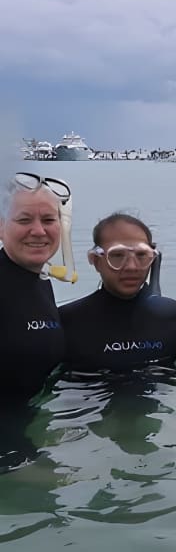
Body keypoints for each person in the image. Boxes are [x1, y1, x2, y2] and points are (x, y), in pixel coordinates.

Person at [59, 213, 176, 373]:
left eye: (141, 255)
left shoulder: (171, 314)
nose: (132, 267)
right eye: (117, 255)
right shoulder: (68, 320)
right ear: (96, 261)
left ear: (152, 258)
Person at [0, 172, 69, 402]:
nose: (39, 231)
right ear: (1, 226)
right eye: (24, 220)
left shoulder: (41, 281)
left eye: (48, 220)